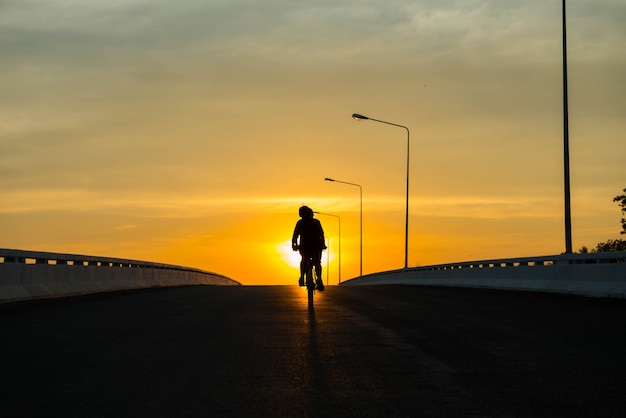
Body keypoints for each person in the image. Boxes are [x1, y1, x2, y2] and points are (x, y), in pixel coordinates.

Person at [292, 206, 326, 291]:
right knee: (317, 262)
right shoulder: (316, 222)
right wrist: (323, 244)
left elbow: (295, 235)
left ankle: (302, 278)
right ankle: (319, 279)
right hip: (316, 246)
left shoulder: (300, 223)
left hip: (304, 246)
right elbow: (321, 234)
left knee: (304, 260)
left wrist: (294, 245)